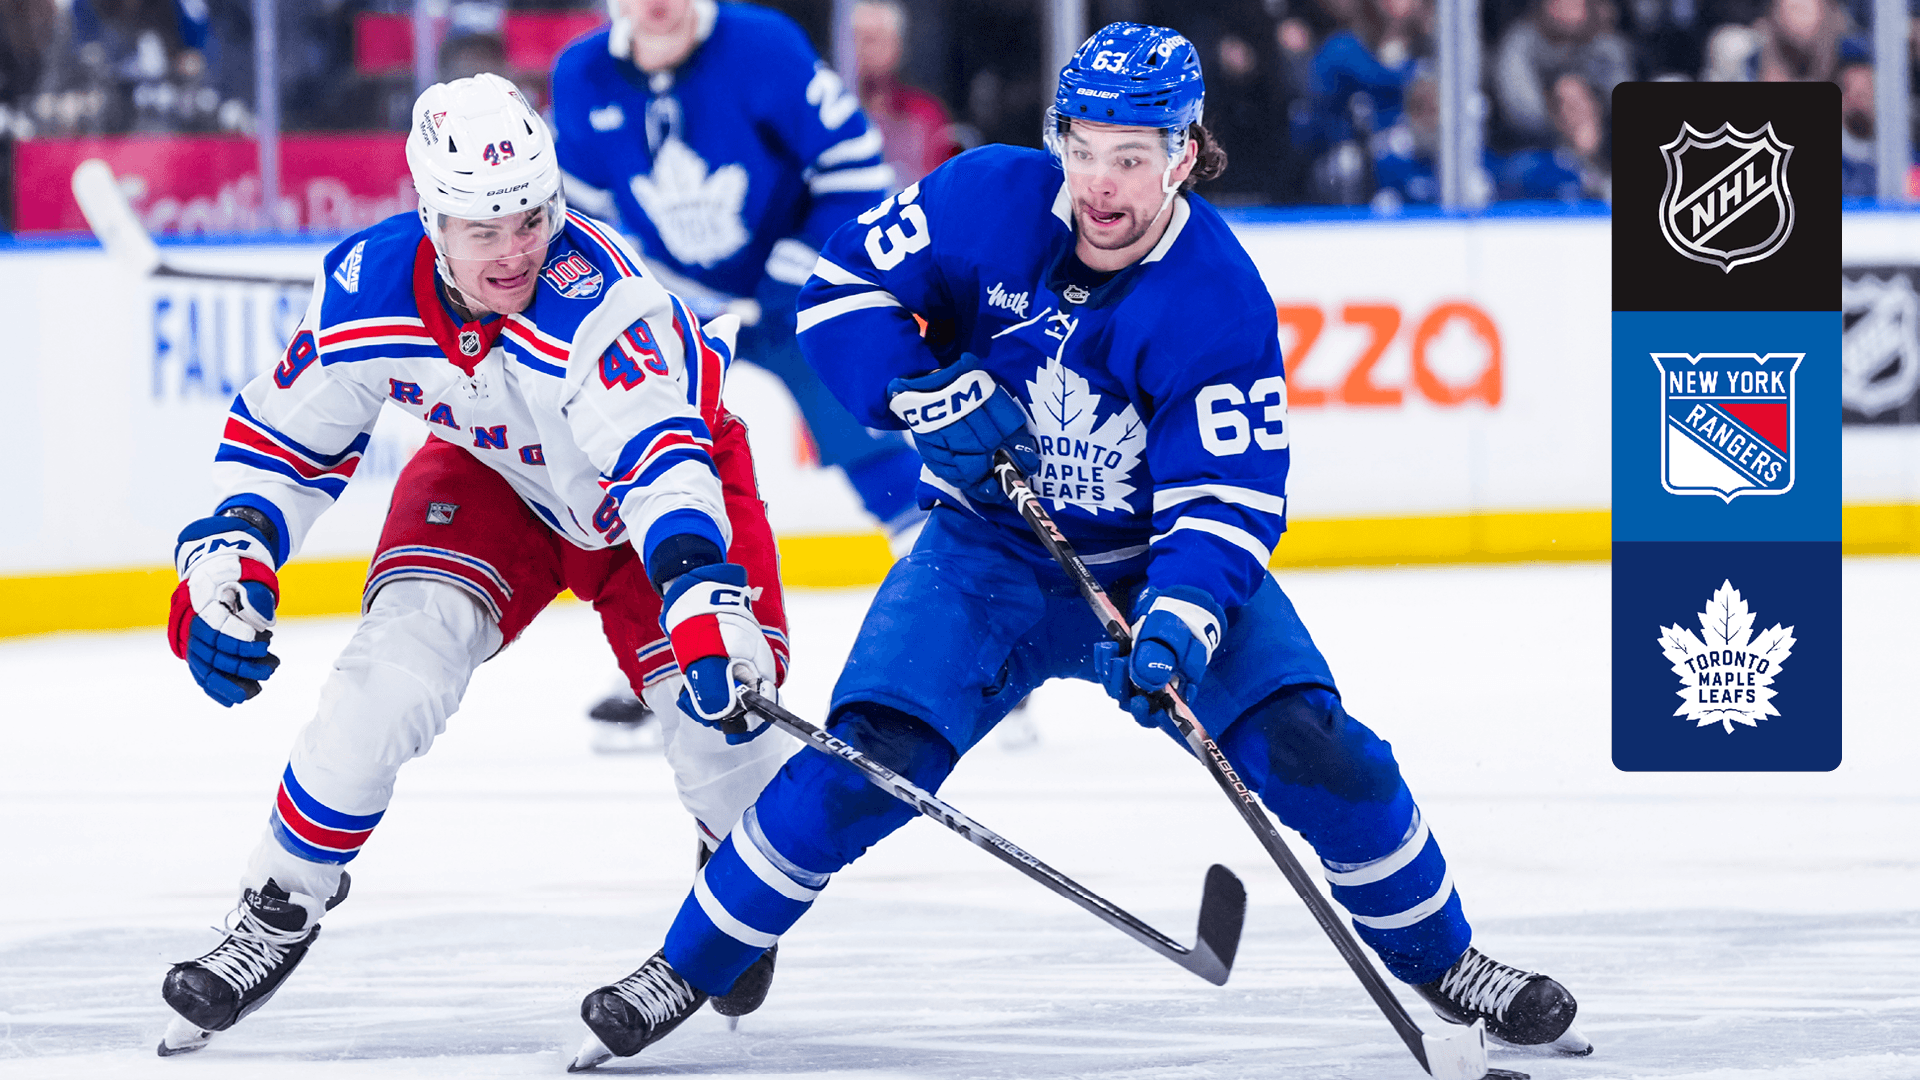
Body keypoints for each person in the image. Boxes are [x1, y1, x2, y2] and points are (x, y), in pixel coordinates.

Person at [564, 22, 1593, 1068]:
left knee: (1323, 755)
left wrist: (1180, 622)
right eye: (1084, 149)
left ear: (1185, 154)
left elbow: (1226, 498)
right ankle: (684, 968)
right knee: (862, 766)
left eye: (1132, 158)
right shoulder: (984, 196)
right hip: (982, 558)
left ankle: (1450, 963)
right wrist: (916, 391)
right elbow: (840, 293)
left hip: (1148, 571)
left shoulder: (1217, 297)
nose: (1100, 183)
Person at [156, 72, 792, 1056]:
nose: (515, 251)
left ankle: (726, 884)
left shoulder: (603, 302)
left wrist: (702, 596)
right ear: (430, 219)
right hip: (495, 480)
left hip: (660, 512)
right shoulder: (368, 285)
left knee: (731, 742)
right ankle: (279, 903)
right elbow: (284, 441)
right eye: (483, 229)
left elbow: (661, 464)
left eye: (531, 219)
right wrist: (232, 554)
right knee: (389, 675)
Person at [550, 0, 928, 750]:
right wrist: (629, 293)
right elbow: (577, 220)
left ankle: (966, 636)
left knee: (881, 458)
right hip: (675, 312)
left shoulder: (762, 47)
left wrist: (791, 279)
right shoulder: (582, 75)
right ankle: (665, 664)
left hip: (797, 299)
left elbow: (857, 168)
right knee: (656, 477)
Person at [850, 0, 961, 189]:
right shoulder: (835, 115)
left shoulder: (926, 115)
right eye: (856, 40)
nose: (863, 50)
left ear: (897, 45)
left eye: (873, 40)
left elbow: (942, 186)